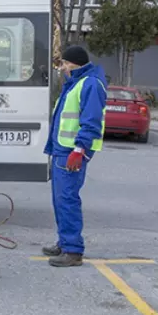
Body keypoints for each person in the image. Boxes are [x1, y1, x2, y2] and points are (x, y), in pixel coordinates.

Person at [42, 46, 107, 267]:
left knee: (67, 199)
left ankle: (72, 250)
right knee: (60, 199)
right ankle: (64, 242)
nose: (62, 68)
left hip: (72, 151)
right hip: (64, 148)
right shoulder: (77, 82)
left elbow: (91, 120)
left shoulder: (89, 84)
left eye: (64, 64)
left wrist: (80, 149)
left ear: (73, 64)